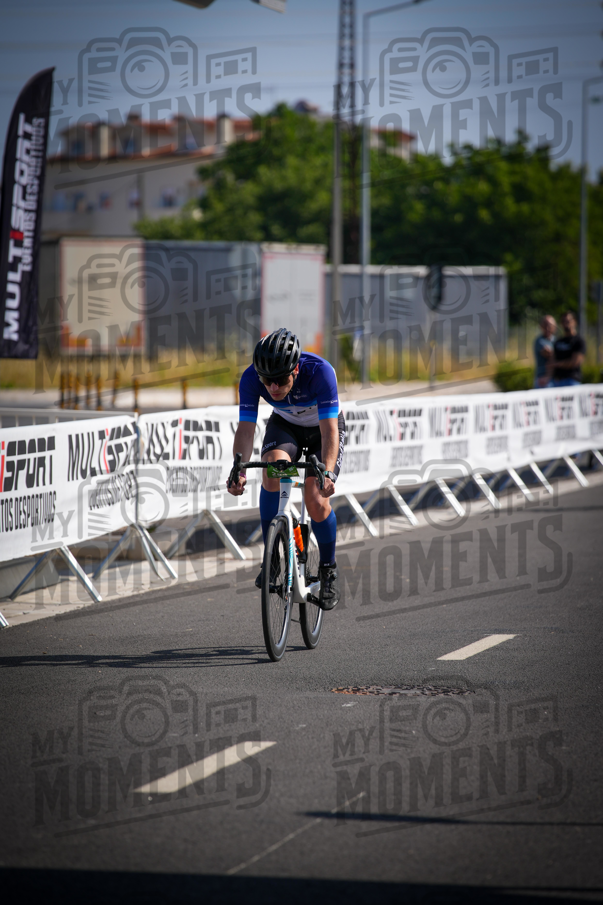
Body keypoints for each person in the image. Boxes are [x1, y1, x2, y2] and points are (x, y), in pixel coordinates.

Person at [227, 328, 345, 610]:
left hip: (322, 431)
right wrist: (239, 470)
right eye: (267, 381)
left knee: (315, 498)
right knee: (271, 470)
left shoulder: (320, 372)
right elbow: (246, 429)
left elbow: (330, 432)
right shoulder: (251, 378)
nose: (273, 388)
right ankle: (273, 559)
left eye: (280, 380)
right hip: (286, 427)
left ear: (296, 369)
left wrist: (326, 473)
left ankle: (328, 570)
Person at [550, 311, 586, 387]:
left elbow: (575, 362)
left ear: (574, 322)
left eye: (568, 321)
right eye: (563, 321)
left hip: (572, 380)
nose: (566, 324)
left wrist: (558, 364)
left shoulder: (578, 341)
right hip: (557, 381)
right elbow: (552, 360)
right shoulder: (558, 341)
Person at [533, 315, 556, 388]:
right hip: (542, 380)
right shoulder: (539, 341)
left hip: (556, 379)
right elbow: (549, 353)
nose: (547, 328)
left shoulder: (557, 340)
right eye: (545, 325)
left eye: (550, 325)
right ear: (541, 326)